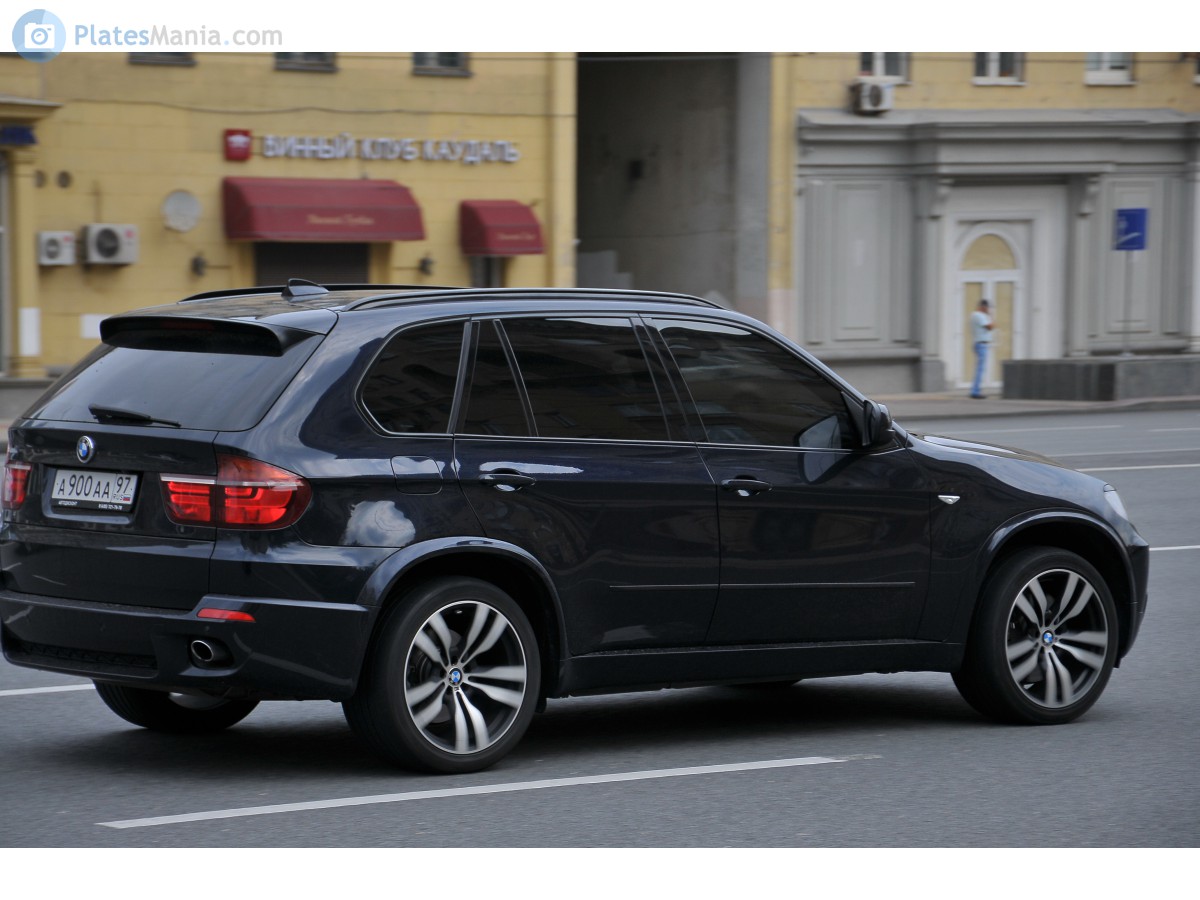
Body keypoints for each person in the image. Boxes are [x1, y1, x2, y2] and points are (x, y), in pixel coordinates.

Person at [969, 299, 994, 399]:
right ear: (983, 307)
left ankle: (975, 390)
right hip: (981, 344)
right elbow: (990, 326)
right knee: (980, 369)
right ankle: (975, 391)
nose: (988, 309)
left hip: (978, 343)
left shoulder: (974, 315)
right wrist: (990, 316)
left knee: (979, 368)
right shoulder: (979, 315)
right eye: (987, 307)